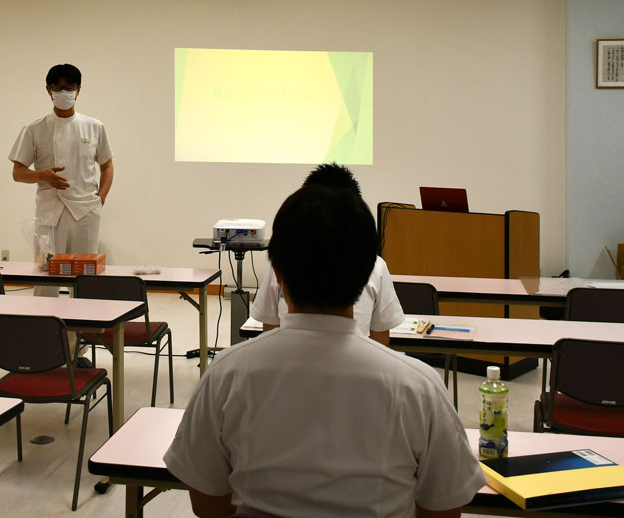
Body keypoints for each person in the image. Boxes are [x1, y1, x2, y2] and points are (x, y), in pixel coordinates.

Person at [164, 185, 485, 518]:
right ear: (367, 276)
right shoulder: (419, 386)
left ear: (277, 274)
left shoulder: (225, 373)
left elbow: (207, 504)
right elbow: (444, 507)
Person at [250, 163, 404, 344]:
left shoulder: (226, 370)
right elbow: (381, 338)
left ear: (278, 274)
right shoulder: (376, 266)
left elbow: (269, 332)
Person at [10, 63, 114, 295]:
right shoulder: (34, 128)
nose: (65, 93)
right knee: (46, 275)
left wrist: (101, 198)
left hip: (86, 209)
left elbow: (107, 165)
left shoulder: (94, 127)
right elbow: (18, 172)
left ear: (79, 90)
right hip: (50, 210)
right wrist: (41, 175)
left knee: (86, 277)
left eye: (70, 88)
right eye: (59, 88)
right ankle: (46, 325)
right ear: (49, 90)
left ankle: (86, 326)